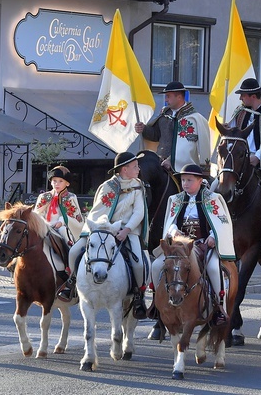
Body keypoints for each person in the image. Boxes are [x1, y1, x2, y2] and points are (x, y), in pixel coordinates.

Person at [62, 152, 150, 319]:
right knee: (74, 251)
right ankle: (72, 282)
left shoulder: (138, 186)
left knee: (139, 263)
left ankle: (139, 295)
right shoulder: (107, 187)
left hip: (127, 231)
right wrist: (102, 229)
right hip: (102, 229)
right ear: (125, 169)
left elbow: (139, 213)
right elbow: (98, 212)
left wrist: (126, 230)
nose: (138, 169)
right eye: (135, 166)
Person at [150, 164, 236, 326]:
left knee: (212, 268)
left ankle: (219, 307)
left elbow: (222, 222)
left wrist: (213, 237)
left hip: (204, 245)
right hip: (180, 247)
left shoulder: (212, 199)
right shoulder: (175, 200)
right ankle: (158, 304)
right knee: (155, 266)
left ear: (200, 180)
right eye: (183, 180)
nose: (185, 184)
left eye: (189, 180)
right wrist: (173, 230)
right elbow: (169, 222)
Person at [134, 81, 212, 173]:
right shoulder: (165, 114)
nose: (166, 100)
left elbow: (187, 147)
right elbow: (156, 135)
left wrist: (172, 160)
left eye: (168, 96)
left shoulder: (192, 119)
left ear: (179, 97)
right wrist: (144, 129)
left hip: (181, 169)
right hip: (159, 163)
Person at [33, 165, 83, 288]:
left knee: (63, 233)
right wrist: (43, 223)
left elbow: (74, 215)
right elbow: (37, 213)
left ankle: (69, 265)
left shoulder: (70, 197)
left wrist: (61, 221)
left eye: (60, 181)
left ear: (67, 183)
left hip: (62, 227)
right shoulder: (44, 197)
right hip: (45, 226)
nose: (57, 184)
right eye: (54, 181)